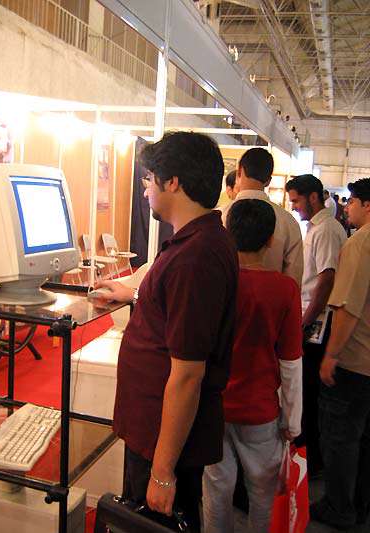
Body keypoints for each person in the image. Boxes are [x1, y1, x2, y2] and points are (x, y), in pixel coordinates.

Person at [94, 132, 237, 533]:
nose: (146, 192)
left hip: (163, 438)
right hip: (156, 430)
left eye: (149, 180)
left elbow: (188, 375)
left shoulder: (195, 258)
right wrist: (136, 294)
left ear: (172, 182)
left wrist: (161, 472)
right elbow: (177, 310)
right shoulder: (198, 243)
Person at [202, 199, 303, 533]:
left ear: (228, 234)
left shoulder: (215, 282)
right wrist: (293, 420)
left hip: (215, 405)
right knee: (263, 494)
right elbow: (290, 362)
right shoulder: (285, 289)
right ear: (271, 240)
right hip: (261, 410)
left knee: (216, 489)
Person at [311, 178, 370, 530]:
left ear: (367, 205)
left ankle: (338, 506)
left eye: (352, 201)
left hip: (355, 358)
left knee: (341, 437)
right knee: (363, 439)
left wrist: (331, 355)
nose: (347, 207)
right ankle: (359, 504)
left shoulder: (361, 243)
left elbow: (348, 306)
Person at [286, 174, 346, 475]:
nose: (294, 206)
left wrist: (304, 323)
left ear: (313, 197)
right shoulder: (317, 228)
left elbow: (326, 279)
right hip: (311, 320)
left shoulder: (326, 230)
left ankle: (311, 461)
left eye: (296, 200)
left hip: (317, 324)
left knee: (309, 394)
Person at [232, 147, 303, 286]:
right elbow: (294, 278)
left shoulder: (220, 216)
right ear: (268, 181)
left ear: (239, 171)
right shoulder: (288, 222)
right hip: (274, 298)